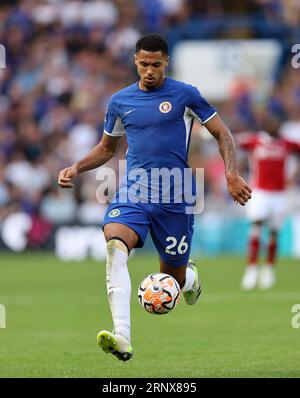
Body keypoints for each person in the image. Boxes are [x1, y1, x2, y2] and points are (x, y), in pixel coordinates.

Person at [58, 33, 251, 361]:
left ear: (166, 63)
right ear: (135, 61)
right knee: (115, 246)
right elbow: (107, 148)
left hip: (175, 198)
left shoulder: (185, 95)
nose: (149, 71)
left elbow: (222, 132)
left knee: (172, 278)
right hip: (133, 193)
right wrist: (76, 167)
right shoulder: (120, 101)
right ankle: (122, 335)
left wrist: (231, 173)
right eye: (144, 64)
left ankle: (189, 279)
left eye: (156, 65)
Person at [237, 116, 300, 291]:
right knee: (255, 228)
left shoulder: (287, 143)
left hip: (280, 194)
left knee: (274, 232)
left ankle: (269, 269)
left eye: (277, 122)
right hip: (260, 192)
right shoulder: (255, 140)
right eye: (272, 122)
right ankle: (251, 269)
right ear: (265, 125)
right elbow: (232, 140)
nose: (275, 124)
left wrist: (294, 174)